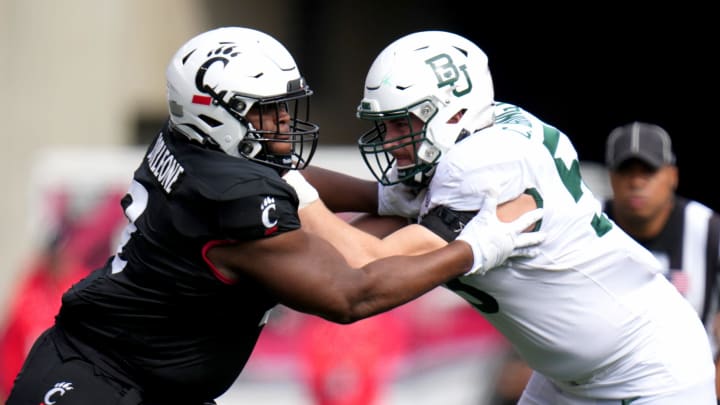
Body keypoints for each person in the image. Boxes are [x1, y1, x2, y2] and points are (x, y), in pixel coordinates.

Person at [6, 27, 544, 405]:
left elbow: (292, 183)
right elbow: (350, 292)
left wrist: (387, 198)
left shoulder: (194, 143)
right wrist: (475, 246)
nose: (283, 123)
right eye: (265, 110)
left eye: (284, 106)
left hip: (144, 378)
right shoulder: (228, 196)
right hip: (99, 382)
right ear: (211, 110)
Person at [298, 30, 717, 403]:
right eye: (385, 125)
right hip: (574, 375)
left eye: (402, 123)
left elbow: (365, 264)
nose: (391, 141)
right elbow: (375, 205)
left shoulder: (477, 167)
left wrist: (295, 192)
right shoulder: (483, 135)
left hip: (648, 369)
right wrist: (272, 173)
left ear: (455, 113)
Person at [603, 121, 720, 400]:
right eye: (625, 171)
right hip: (598, 384)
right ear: (611, 177)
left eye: (649, 170)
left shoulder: (707, 231)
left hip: (686, 385)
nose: (636, 182)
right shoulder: (584, 225)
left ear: (672, 176)